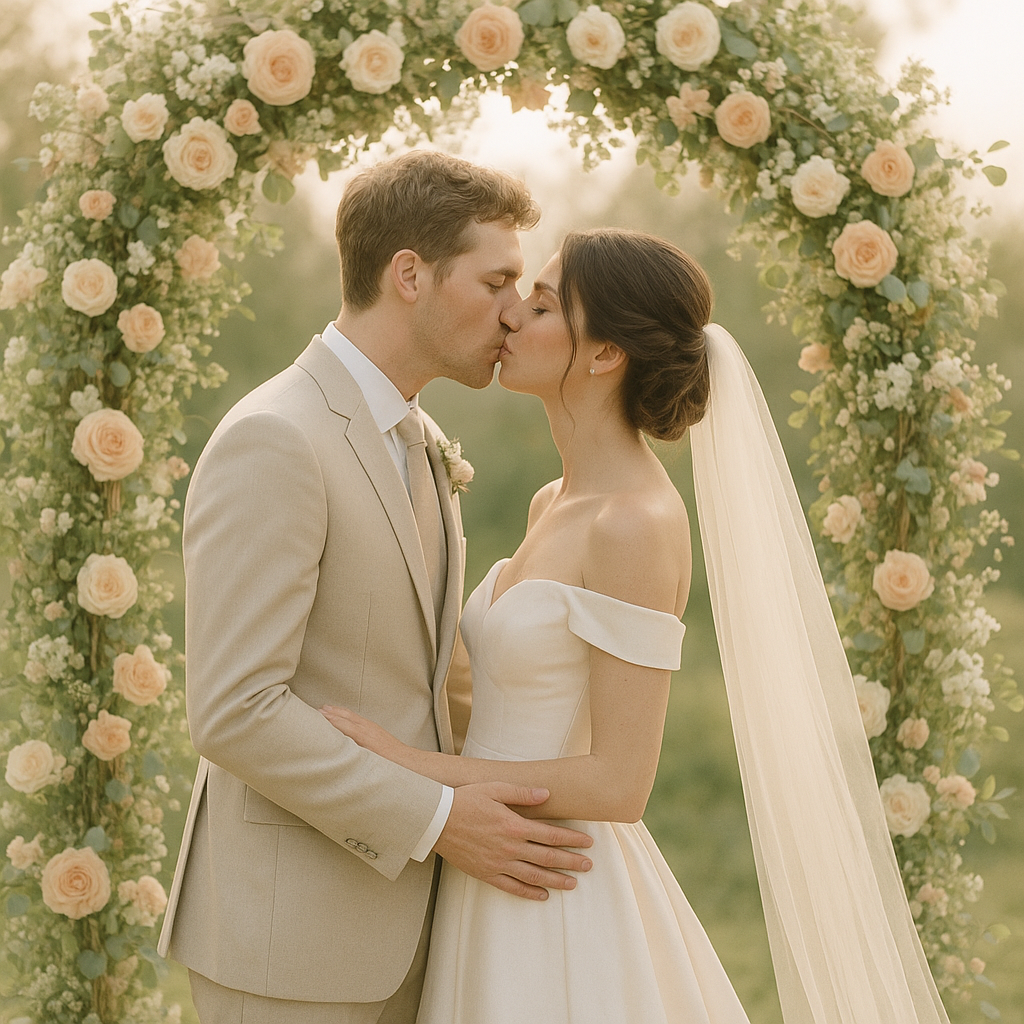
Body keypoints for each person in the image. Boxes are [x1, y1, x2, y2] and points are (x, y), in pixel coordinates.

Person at [321, 228, 953, 1024]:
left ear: (605, 354)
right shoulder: (552, 503)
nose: (512, 316)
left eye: (543, 305)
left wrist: (409, 770)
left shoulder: (635, 524)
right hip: (493, 868)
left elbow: (620, 782)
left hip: (557, 896)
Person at [157, 151, 596, 1024]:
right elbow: (236, 709)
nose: (516, 310)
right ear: (409, 275)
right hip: (292, 946)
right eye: (497, 279)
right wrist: (437, 819)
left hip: (422, 930)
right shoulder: (276, 439)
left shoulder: (417, 437)